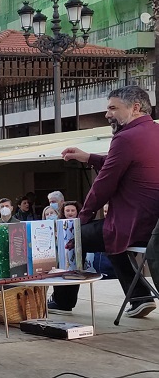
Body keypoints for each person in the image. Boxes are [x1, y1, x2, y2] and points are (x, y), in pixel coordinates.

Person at [49, 85, 159, 318]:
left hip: (133, 225)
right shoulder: (153, 132)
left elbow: (103, 185)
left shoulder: (126, 137)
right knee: (108, 238)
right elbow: (119, 163)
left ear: (135, 108)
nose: (107, 114)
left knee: (71, 237)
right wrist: (88, 157)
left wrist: (80, 219)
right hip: (153, 227)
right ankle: (140, 297)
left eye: (112, 108)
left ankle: (62, 300)